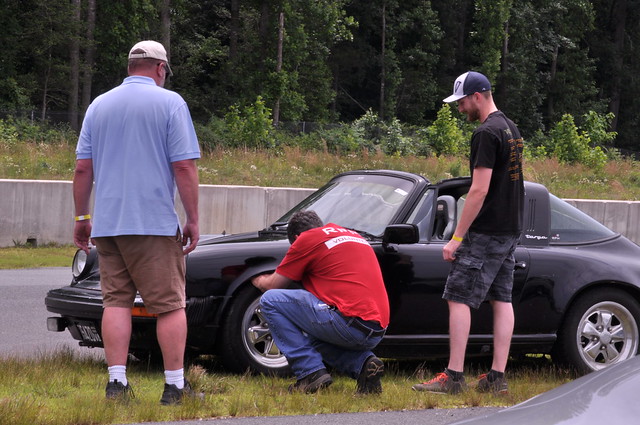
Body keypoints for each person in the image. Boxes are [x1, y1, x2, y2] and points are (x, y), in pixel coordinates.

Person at [73, 40, 201, 405]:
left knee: (115, 302)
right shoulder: (170, 103)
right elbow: (184, 166)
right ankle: (174, 386)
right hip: (153, 223)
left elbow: (83, 167)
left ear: (131, 66)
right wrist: (192, 218)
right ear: (160, 69)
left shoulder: (99, 105)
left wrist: (83, 217)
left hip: (109, 225)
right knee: (170, 305)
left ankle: (117, 384)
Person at [412, 71, 524, 395]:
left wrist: (457, 237)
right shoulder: (510, 128)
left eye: (461, 102)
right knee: (501, 298)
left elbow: (478, 191)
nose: (460, 109)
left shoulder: (486, 133)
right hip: (509, 229)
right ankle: (497, 378)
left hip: (487, 230)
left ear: (477, 96)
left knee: (457, 296)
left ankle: (454, 376)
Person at [251, 210, 389, 394]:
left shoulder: (306, 239)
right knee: (311, 337)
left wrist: (257, 280)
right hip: (377, 329)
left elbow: (273, 285)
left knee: (270, 300)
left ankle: (309, 373)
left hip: (348, 323)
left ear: (297, 237)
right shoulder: (351, 234)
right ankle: (364, 366)